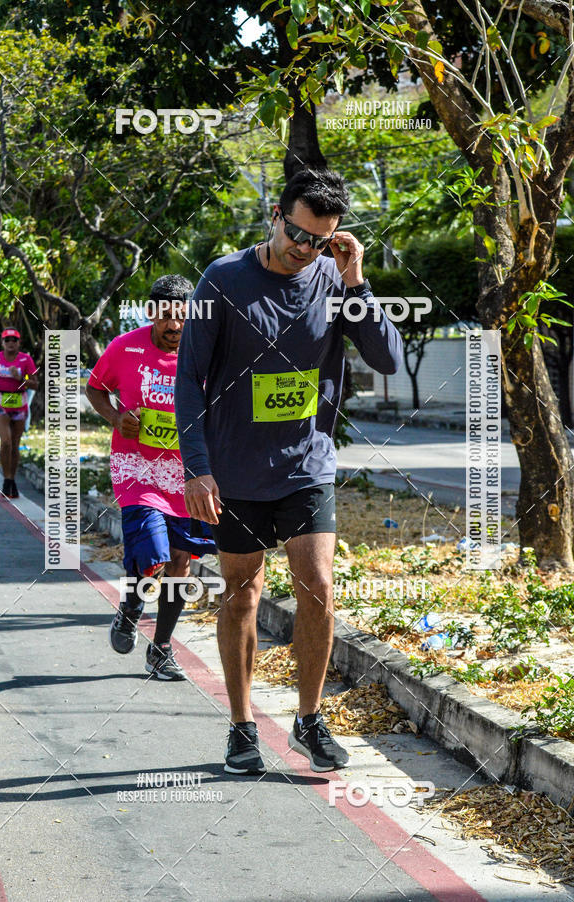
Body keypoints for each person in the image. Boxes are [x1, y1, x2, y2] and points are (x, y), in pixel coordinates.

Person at [175, 168, 403, 774]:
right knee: (242, 595)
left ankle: (308, 719)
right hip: (234, 471)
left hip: (307, 463)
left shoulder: (334, 277)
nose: (307, 250)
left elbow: (387, 357)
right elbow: (188, 381)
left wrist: (355, 279)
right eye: (299, 235)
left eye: (321, 240)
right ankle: (242, 727)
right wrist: (197, 468)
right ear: (276, 215)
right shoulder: (222, 280)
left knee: (319, 588)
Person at [86, 275, 217, 681]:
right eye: (165, 317)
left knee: (181, 562)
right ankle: (131, 607)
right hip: (137, 471)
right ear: (151, 313)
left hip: (187, 474)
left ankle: (160, 648)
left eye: (181, 316)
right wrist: (116, 417)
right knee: (153, 556)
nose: (174, 326)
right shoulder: (123, 347)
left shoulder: (205, 352)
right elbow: (96, 389)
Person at [0, 328, 38, 499]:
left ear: (19, 343)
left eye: (14, 340)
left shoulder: (25, 359)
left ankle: (11, 479)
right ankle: (6, 479)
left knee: (14, 444)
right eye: (7, 340)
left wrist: (21, 379)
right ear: (2, 343)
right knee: (5, 441)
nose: (11, 343)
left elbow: (35, 384)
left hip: (19, 404)